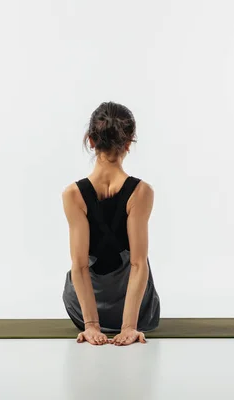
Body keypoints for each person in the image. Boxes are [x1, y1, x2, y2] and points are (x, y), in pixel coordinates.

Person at [61, 101, 161, 346]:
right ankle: (124, 321)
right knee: (140, 260)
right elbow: (138, 265)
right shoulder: (142, 192)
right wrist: (129, 327)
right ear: (128, 143)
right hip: (138, 313)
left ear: (91, 141)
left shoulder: (72, 194)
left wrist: (91, 326)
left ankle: (95, 320)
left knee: (78, 266)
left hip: (83, 311)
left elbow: (80, 266)